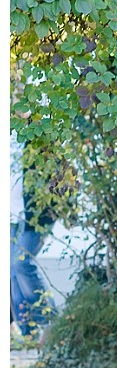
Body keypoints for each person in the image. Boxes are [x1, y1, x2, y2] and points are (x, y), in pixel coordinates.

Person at [10, 133, 57, 342]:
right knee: (11, 270)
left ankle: (49, 321)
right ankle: (27, 331)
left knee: (22, 264)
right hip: (11, 215)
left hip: (35, 216)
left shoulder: (37, 134)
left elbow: (54, 175)